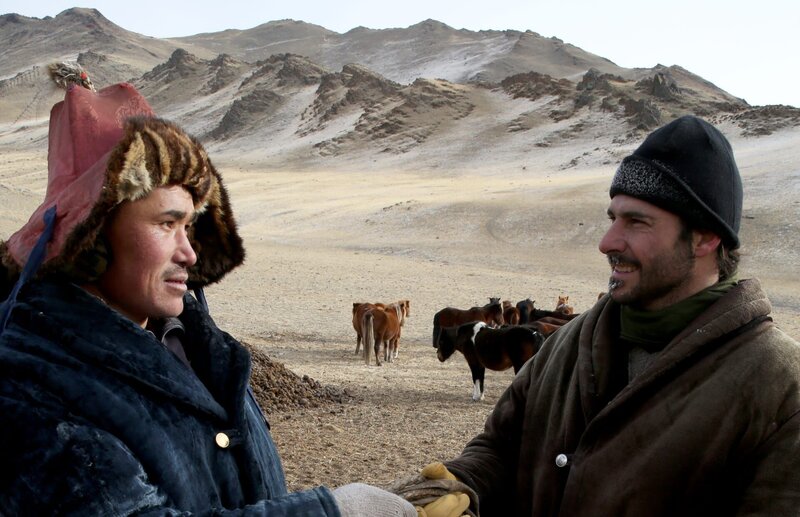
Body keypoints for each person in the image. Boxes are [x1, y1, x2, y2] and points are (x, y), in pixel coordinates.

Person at [0, 64, 416, 516]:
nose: (190, 254)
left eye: (189, 225)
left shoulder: (197, 347)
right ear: (92, 239)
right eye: (166, 224)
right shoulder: (28, 384)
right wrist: (334, 512)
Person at [413, 115, 800, 515]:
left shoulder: (780, 388)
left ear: (705, 236)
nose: (607, 242)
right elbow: (499, 450)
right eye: (613, 218)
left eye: (637, 222)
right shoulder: (568, 344)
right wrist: (456, 487)